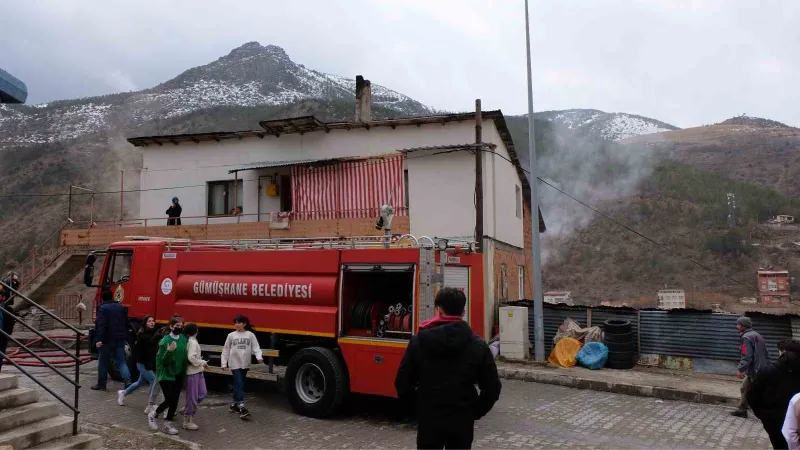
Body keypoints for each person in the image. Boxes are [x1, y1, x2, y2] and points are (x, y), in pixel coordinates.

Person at [395, 287, 502, 450]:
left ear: (438, 310)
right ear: (463, 312)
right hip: (461, 422)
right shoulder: (477, 345)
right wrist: (473, 412)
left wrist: (418, 410)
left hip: (429, 421)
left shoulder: (419, 341)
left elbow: (402, 382)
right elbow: (492, 388)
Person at [748, 339, 800, 449]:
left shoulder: (767, 370)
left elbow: (752, 395)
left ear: (783, 352)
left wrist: (763, 415)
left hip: (773, 419)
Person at [148, 315, 188, 435]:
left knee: (174, 401)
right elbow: (162, 362)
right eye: (177, 326)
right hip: (166, 375)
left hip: (178, 374)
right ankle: (153, 414)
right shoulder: (165, 341)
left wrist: (185, 372)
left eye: (181, 326)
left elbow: (184, 356)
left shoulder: (182, 338)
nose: (180, 328)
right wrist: (169, 352)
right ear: (171, 326)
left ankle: (167, 425)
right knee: (170, 399)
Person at [221, 315, 263, 420]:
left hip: (245, 363)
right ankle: (242, 407)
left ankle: (233, 404)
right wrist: (223, 363)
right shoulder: (231, 335)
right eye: (235, 322)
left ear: (244, 323)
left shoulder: (250, 335)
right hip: (234, 364)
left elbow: (256, 347)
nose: (236, 324)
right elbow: (226, 349)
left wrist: (259, 357)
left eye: (239, 322)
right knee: (239, 383)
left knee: (240, 384)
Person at [92, 289, 131, 390]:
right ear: (112, 297)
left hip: (107, 339)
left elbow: (102, 325)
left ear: (102, 298)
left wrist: (99, 339)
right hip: (120, 338)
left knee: (103, 361)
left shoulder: (102, 308)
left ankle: (101, 384)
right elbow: (126, 323)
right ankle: (127, 381)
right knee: (121, 361)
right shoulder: (121, 307)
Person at [731, 316, 769, 418]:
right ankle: (742, 410)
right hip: (760, 368)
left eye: (738, 325)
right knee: (744, 388)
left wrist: (741, 369)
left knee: (758, 391)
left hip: (755, 370)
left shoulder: (746, 337)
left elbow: (747, 355)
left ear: (743, 326)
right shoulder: (757, 335)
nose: (737, 326)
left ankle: (767, 411)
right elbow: (766, 352)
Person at [117, 316, 157, 407]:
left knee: (140, 382)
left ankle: (123, 393)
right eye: (149, 321)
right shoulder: (143, 336)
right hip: (142, 363)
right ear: (145, 323)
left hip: (148, 363)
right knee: (153, 380)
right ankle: (151, 404)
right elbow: (146, 348)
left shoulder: (153, 333)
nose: (152, 322)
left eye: (153, 321)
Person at [183, 323, 208, 431]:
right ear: (194, 331)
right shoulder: (192, 342)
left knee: (202, 393)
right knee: (193, 397)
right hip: (192, 373)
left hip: (198, 371)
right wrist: (201, 362)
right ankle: (187, 421)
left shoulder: (193, 341)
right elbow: (191, 358)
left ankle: (187, 408)